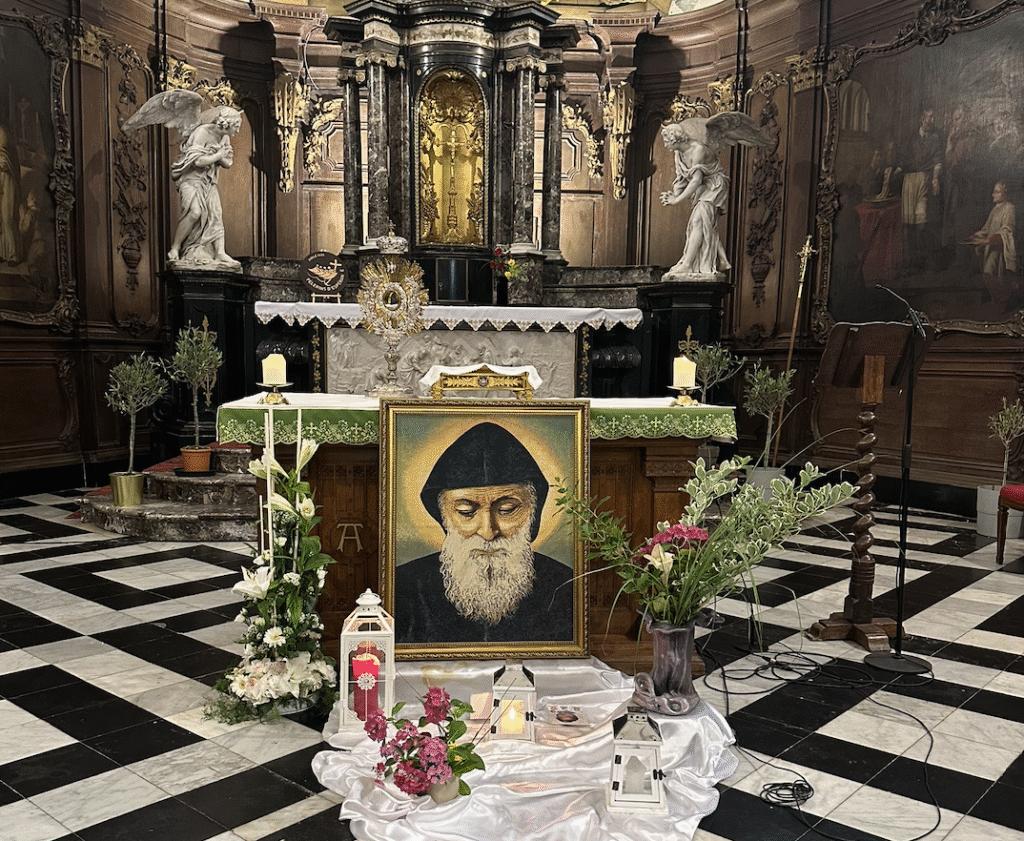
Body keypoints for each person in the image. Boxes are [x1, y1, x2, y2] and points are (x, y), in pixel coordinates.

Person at [394, 421, 573, 644]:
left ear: (533, 512)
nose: (488, 532)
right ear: (444, 515)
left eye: (507, 510)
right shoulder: (404, 587)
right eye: (466, 512)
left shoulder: (566, 586)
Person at [659, 113, 772, 277]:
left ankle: (688, 264)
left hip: (715, 185)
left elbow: (696, 180)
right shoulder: (680, 154)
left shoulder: (697, 150)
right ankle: (706, 260)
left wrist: (676, 200)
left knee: (698, 221)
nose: (665, 145)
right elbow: (682, 178)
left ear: (676, 138)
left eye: (667, 141)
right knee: (701, 224)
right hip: (704, 187)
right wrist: (675, 193)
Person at [168, 106, 242, 268]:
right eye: (236, 126)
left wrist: (219, 157)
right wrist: (218, 155)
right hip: (191, 179)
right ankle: (175, 248)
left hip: (208, 181)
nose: (237, 130)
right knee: (195, 212)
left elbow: (228, 162)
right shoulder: (202, 132)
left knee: (215, 214)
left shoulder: (224, 137)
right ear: (227, 124)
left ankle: (220, 252)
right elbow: (197, 161)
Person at [900, 108, 944, 271]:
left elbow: (938, 160)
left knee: (922, 222)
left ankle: (923, 260)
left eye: (933, 117)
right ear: (922, 118)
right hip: (909, 180)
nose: (932, 120)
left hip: (924, 180)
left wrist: (935, 178)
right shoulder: (912, 138)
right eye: (929, 117)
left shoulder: (935, 138)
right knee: (908, 223)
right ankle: (909, 260)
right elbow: (903, 158)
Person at [971, 181, 1016, 307]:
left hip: (1000, 249)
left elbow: (1007, 230)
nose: (993, 195)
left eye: (996, 192)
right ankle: (1001, 302)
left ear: (1005, 193)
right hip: (991, 248)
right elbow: (986, 229)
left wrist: (988, 241)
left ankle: (1006, 298)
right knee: (989, 276)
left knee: (988, 275)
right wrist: (975, 237)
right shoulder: (995, 210)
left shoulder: (1009, 208)